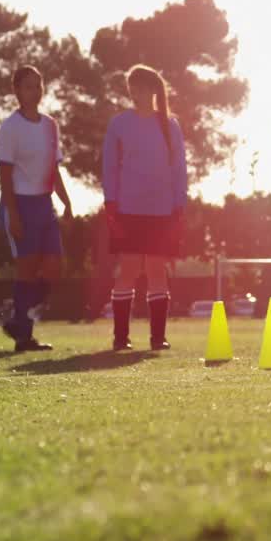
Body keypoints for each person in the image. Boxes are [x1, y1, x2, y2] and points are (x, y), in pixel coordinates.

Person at [101, 65, 188, 352]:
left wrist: (180, 205)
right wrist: (110, 202)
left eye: (140, 87)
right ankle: (120, 336)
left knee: (156, 269)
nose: (135, 93)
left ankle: (157, 337)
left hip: (162, 209)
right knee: (128, 268)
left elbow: (179, 169)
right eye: (132, 87)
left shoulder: (170, 125)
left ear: (153, 89)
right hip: (128, 207)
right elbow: (110, 166)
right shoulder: (119, 124)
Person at [0, 66, 73, 352]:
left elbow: (54, 167)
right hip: (19, 203)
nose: (35, 90)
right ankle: (24, 337)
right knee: (27, 270)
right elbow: (5, 175)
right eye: (28, 86)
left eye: (38, 85)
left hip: (45, 203)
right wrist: (13, 214)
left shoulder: (50, 125)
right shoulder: (10, 127)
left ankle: (17, 312)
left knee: (54, 267)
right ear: (17, 90)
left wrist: (66, 201)